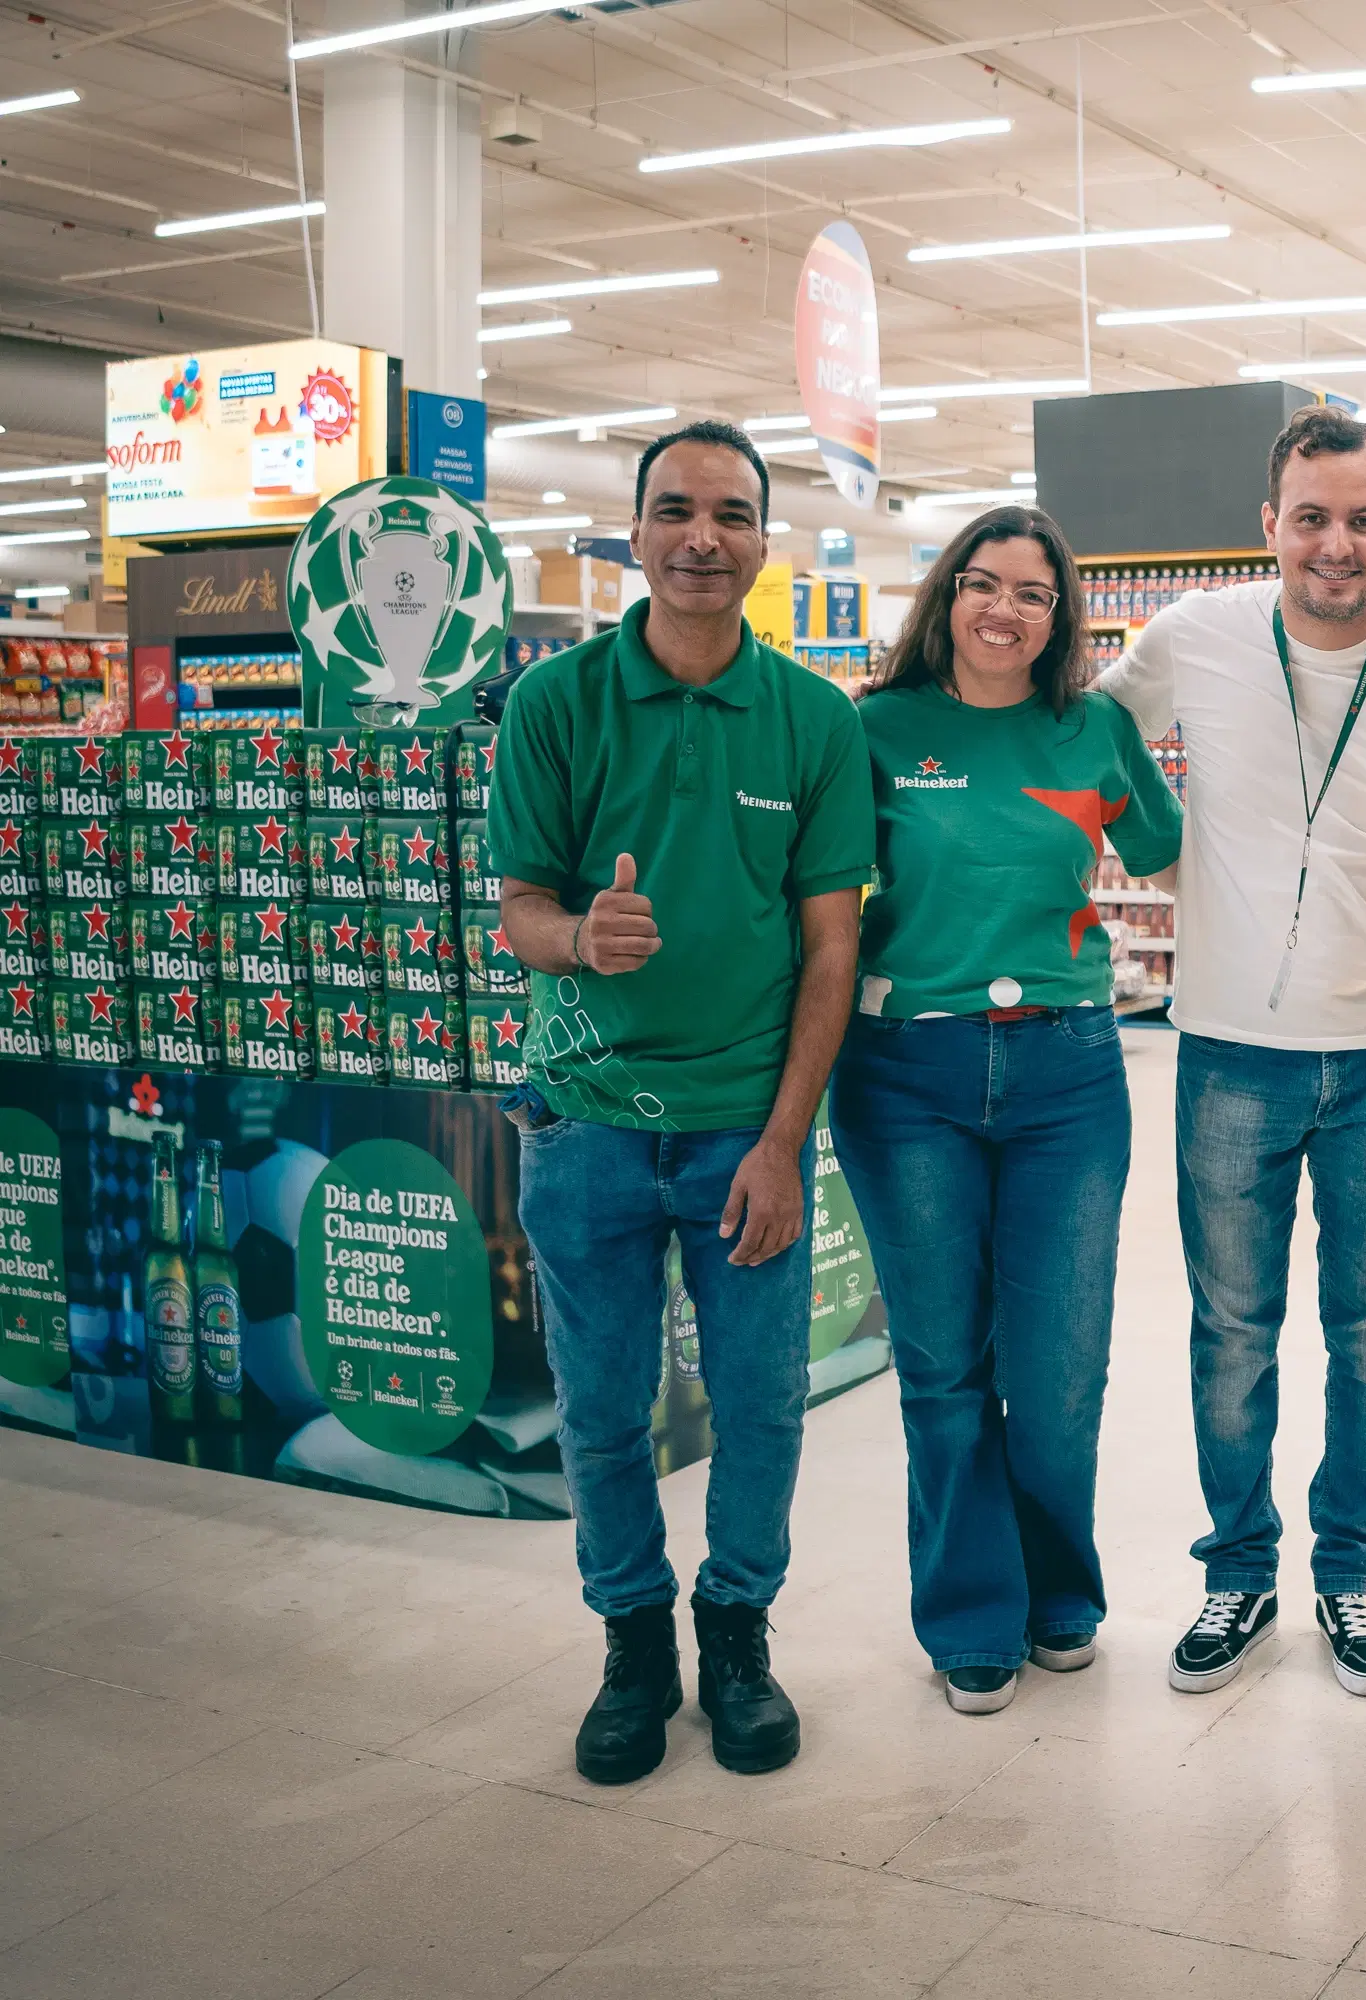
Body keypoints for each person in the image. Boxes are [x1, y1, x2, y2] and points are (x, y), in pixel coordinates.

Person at [490, 419, 873, 1785]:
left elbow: (832, 947)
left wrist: (783, 1142)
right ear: (634, 534)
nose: (701, 535)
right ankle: (631, 1645)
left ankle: (738, 1632)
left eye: (730, 512)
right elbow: (519, 906)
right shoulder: (556, 706)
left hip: (740, 1135)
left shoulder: (814, 722)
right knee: (601, 1412)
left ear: (765, 540)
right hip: (584, 1122)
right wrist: (578, 939)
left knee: (763, 1405)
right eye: (673, 510)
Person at [1098, 406, 1366, 1698]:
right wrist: (1152, 840)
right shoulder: (1192, 635)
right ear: (1269, 526)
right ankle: (1236, 1575)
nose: (1337, 544)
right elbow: (1082, 737)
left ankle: (1354, 1580)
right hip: (1227, 1052)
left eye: (1363, 520)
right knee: (1232, 1333)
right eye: (1311, 518)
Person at [832, 505, 1181, 1717]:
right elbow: (817, 900)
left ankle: (1059, 1591)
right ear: (947, 595)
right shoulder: (872, 726)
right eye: (982, 584)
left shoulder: (1093, 728)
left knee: (1062, 1362)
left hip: (1068, 1073)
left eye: (1033, 593)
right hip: (904, 1072)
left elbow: (1174, 853)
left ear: (1060, 616)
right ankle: (971, 1613)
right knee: (940, 1358)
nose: (1004, 609)